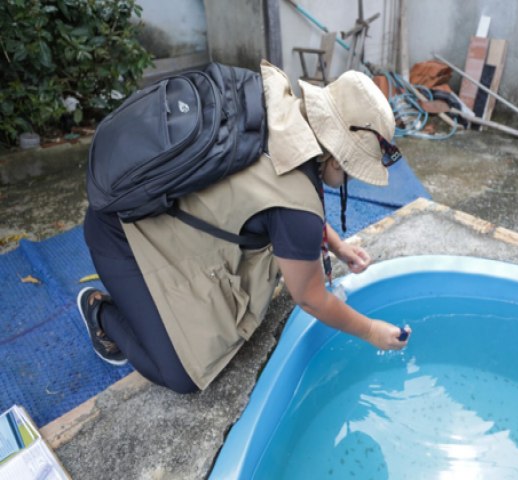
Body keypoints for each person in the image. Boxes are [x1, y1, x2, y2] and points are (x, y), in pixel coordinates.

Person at [77, 60, 412, 394]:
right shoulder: (298, 210)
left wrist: (336, 245)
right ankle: (99, 311)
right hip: (126, 237)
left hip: (153, 212)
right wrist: (370, 331)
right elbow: (310, 298)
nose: (347, 180)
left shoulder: (279, 108)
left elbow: (277, 202)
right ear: (339, 159)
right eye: (351, 173)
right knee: (183, 374)